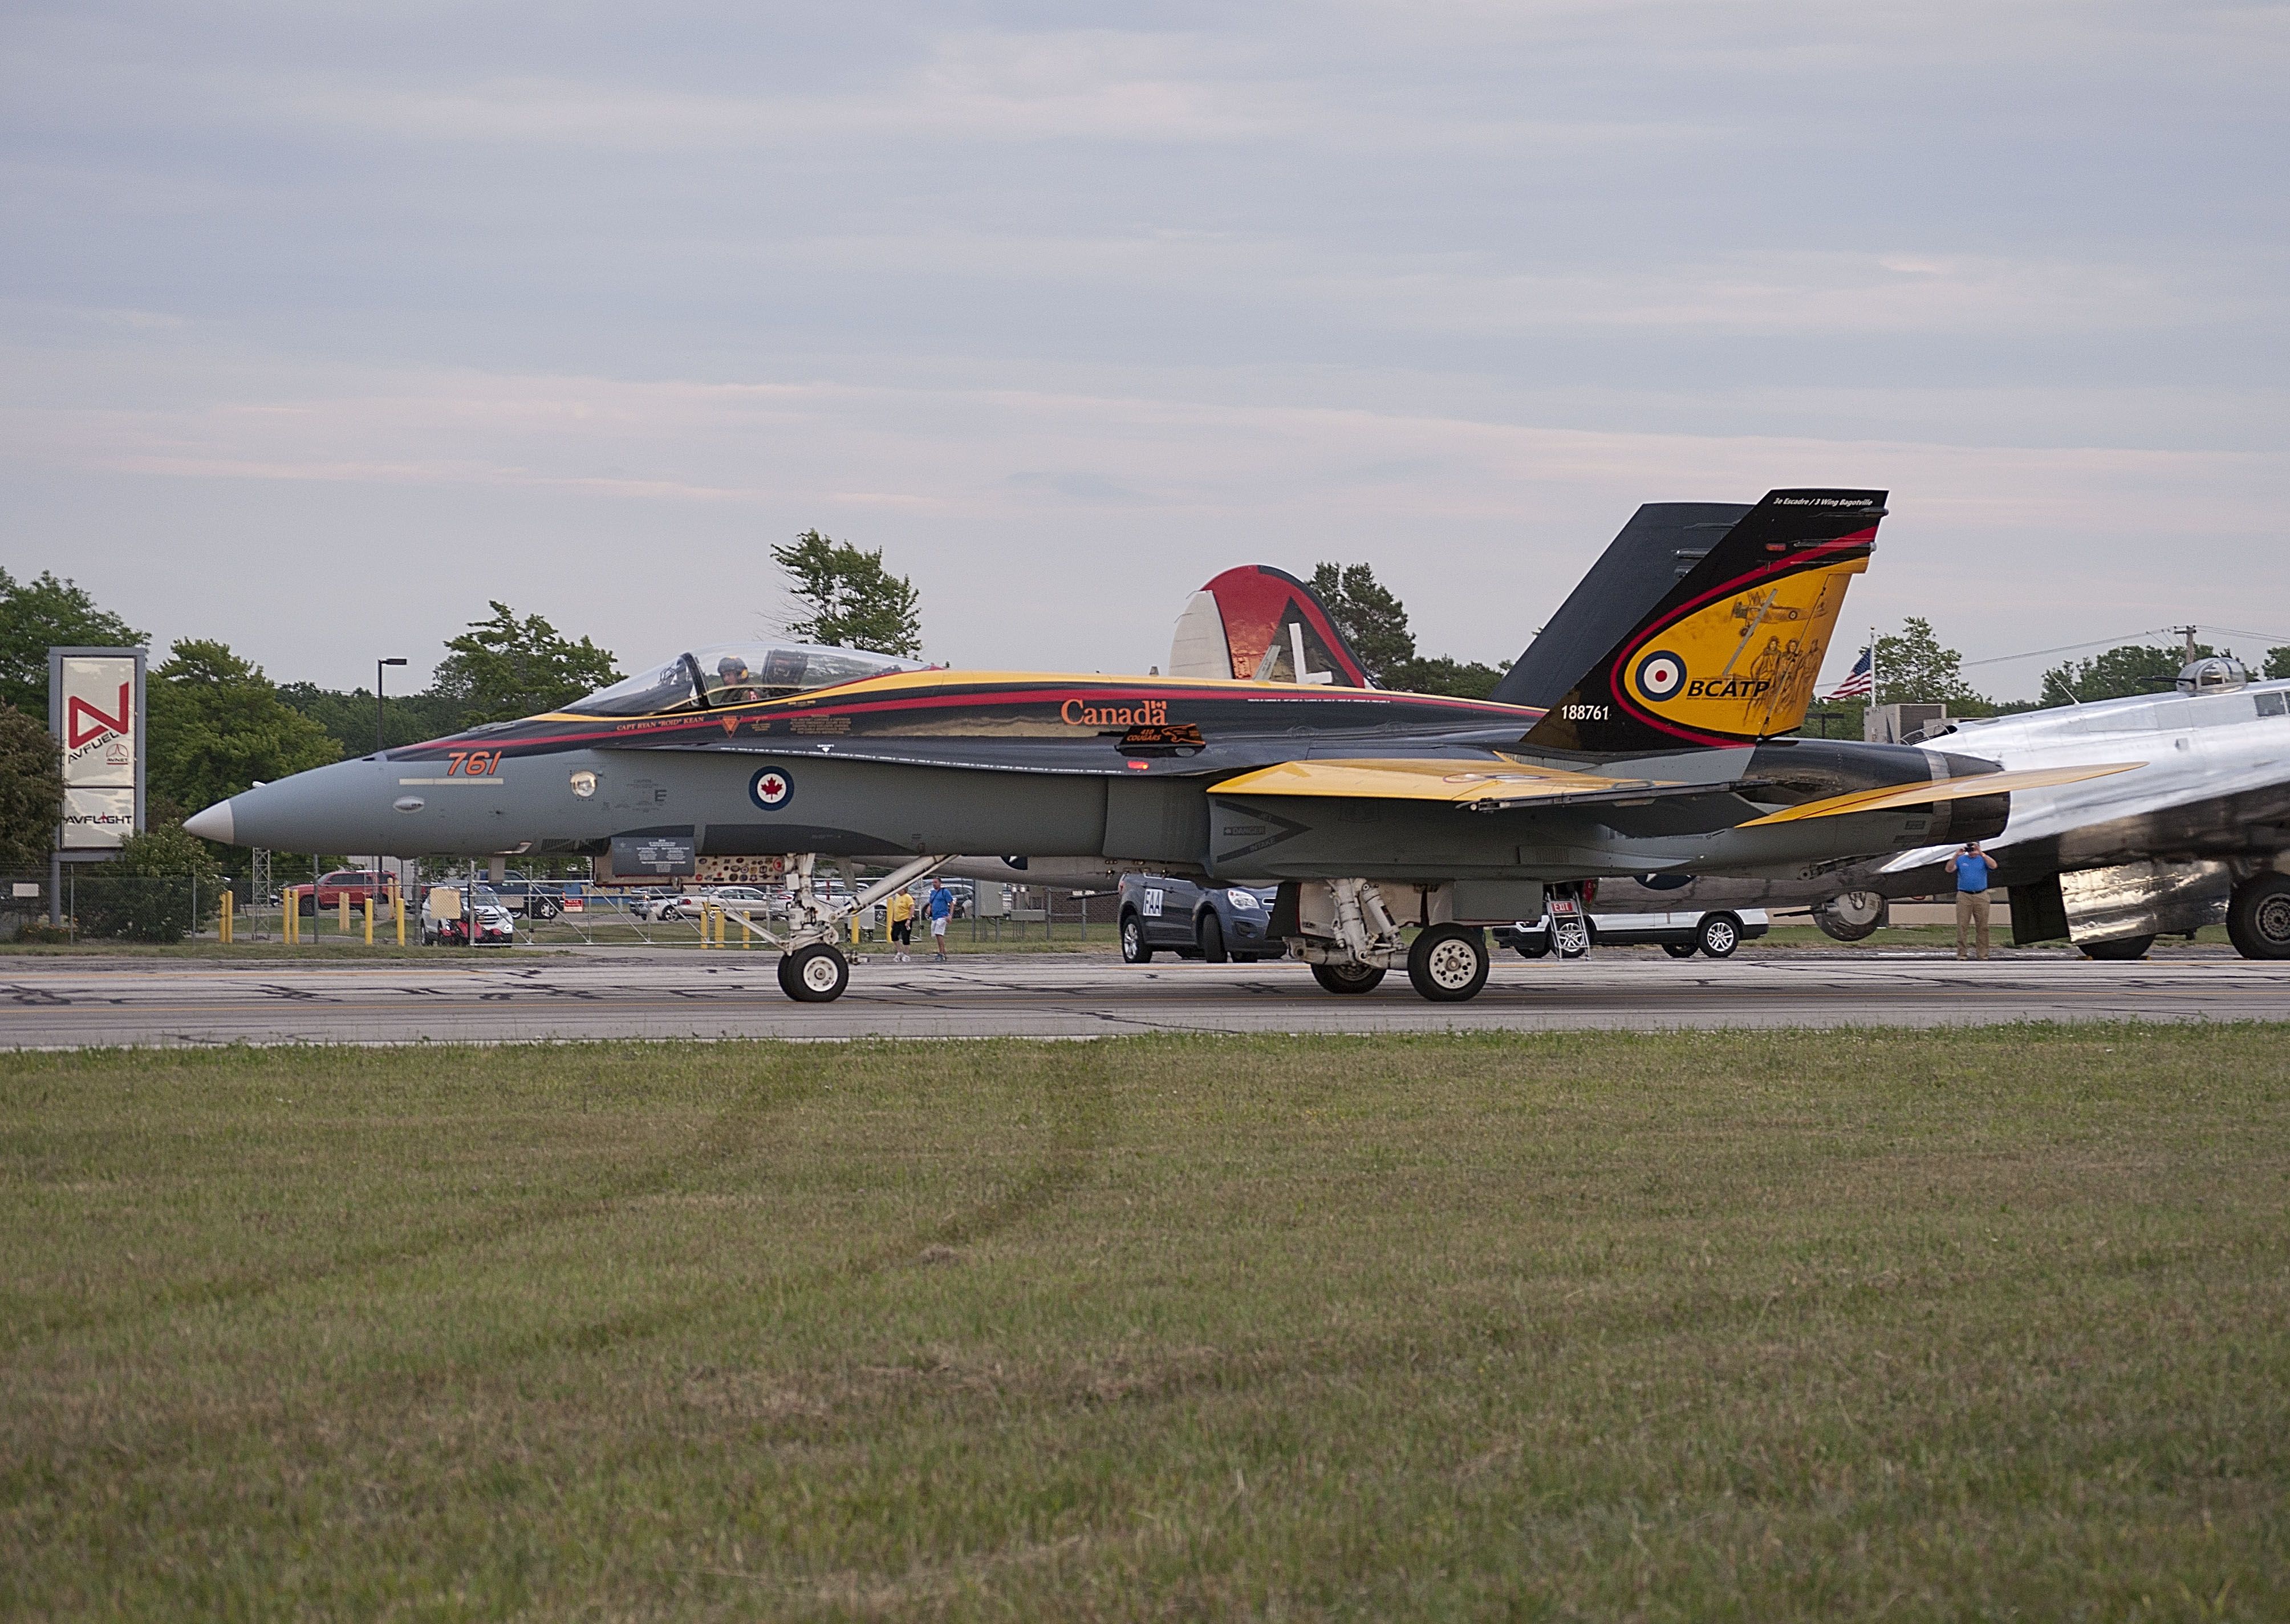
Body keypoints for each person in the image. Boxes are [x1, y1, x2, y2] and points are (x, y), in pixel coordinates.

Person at [1950, 839, 1999, 960]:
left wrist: (1981, 853)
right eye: (1970, 849)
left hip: (1981, 895)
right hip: (1964, 895)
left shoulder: (1983, 859)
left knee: (1982, 926)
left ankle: (1983, 955)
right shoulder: (1962, 860)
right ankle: (1962, 954)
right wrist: (1956, 855)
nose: (1972, 852)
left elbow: (1994, 866)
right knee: (1962, 925)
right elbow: (1949, 869)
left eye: (1974, 849)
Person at [886, 886, 915, 963]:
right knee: (894, 935)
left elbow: (912, 908)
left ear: (904, 889)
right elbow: (895, 909)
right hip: (897, 920)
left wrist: (909, 919)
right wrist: (892, 920)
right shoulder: (898, 897)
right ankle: (899, 952)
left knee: (905, 936)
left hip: (905, 919)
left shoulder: (908, 897)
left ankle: (907, 954)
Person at [927, 879, 953, 963]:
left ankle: (941, 953)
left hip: (943, 916)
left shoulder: (944, 892)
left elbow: (952, 903)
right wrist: (929, 907)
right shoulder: (933, 893)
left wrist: (950, 915)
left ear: (940, 883)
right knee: (937, 935)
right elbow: (931, 902)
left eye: (936, 882)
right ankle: (944, 954)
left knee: (939, 934)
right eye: (933, 883)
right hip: (935, 916)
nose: (934, 884)